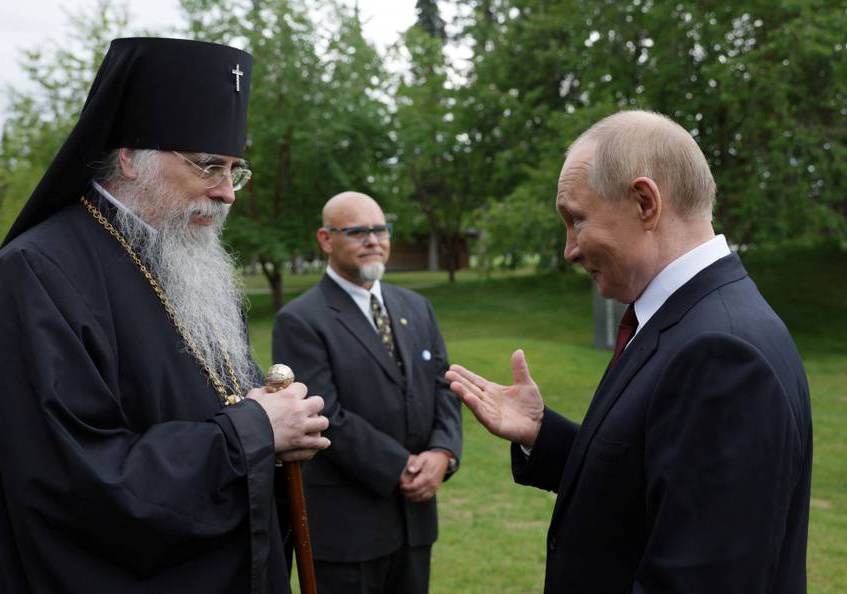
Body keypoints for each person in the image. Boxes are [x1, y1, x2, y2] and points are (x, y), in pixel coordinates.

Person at [0, 37, 330, 594]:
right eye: (209, 166)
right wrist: (253, 433)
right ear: (129, 157)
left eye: (235, 171)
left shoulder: (187, 264)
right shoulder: (31, 279)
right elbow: (74, 482)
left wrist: (281, 437)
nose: (227, 193)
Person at [447, 110, 812, 593]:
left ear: (645, 203)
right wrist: (543, 434)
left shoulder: (721, 354)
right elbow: (651, 482)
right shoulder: (684, 318)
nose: (569, 250)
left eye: (576, 220)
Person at [271, 191, 462, 594]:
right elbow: (325, 416)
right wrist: (402, 467)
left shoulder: (417, 307)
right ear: (326, 239)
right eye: (358, 231)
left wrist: (443, 453)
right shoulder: (300, 320)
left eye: (380, 230)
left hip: (415, 522)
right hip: (348, 530)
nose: (373, 240)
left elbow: (443, 385)